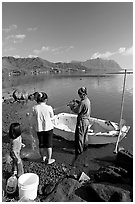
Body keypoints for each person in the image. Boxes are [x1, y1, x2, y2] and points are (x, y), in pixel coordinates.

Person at [32, 92, 55, 164]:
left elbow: (33, 117)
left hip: (39, 128)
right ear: (45, 99)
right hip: (48, 128)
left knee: (41, 144)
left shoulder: (34, 108)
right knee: (49, 144)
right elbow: (52, 117)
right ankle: (49, 159)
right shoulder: (49, 108)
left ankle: (43, 158)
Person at [73, 87, 91, 156]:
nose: (79, 95)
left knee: (79, 137)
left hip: (82, 122)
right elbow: (82, 105)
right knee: (85, 135)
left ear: (83, 94)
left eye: (80, 94)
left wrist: (72, 107)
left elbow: (77, 111)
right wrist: (77, 101)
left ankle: (79, 151)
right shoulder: (87, 100)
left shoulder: (83, 102)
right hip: (87, 121)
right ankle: (85, 147)